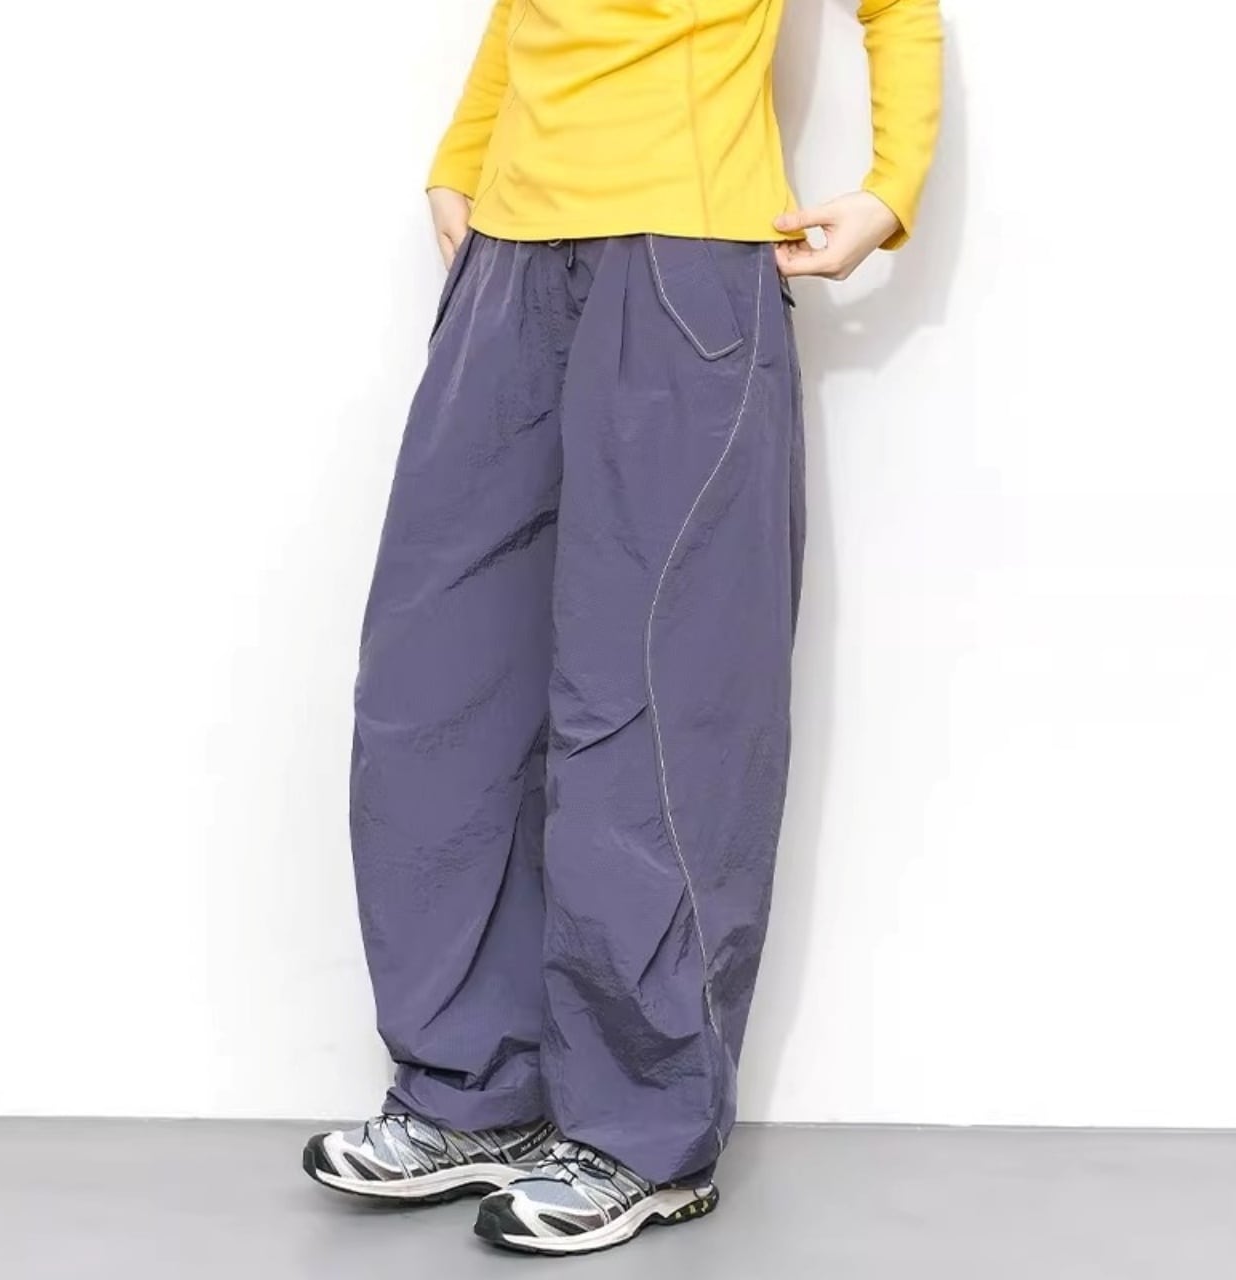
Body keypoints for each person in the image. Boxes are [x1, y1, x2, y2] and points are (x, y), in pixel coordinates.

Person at [303, 0, 942, 1256]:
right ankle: (469, 1091)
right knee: (437, 686)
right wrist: (462, 152)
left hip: (684, 261)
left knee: (650, 698)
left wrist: (890, 186)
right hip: (507, 261)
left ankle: (640, 1132)